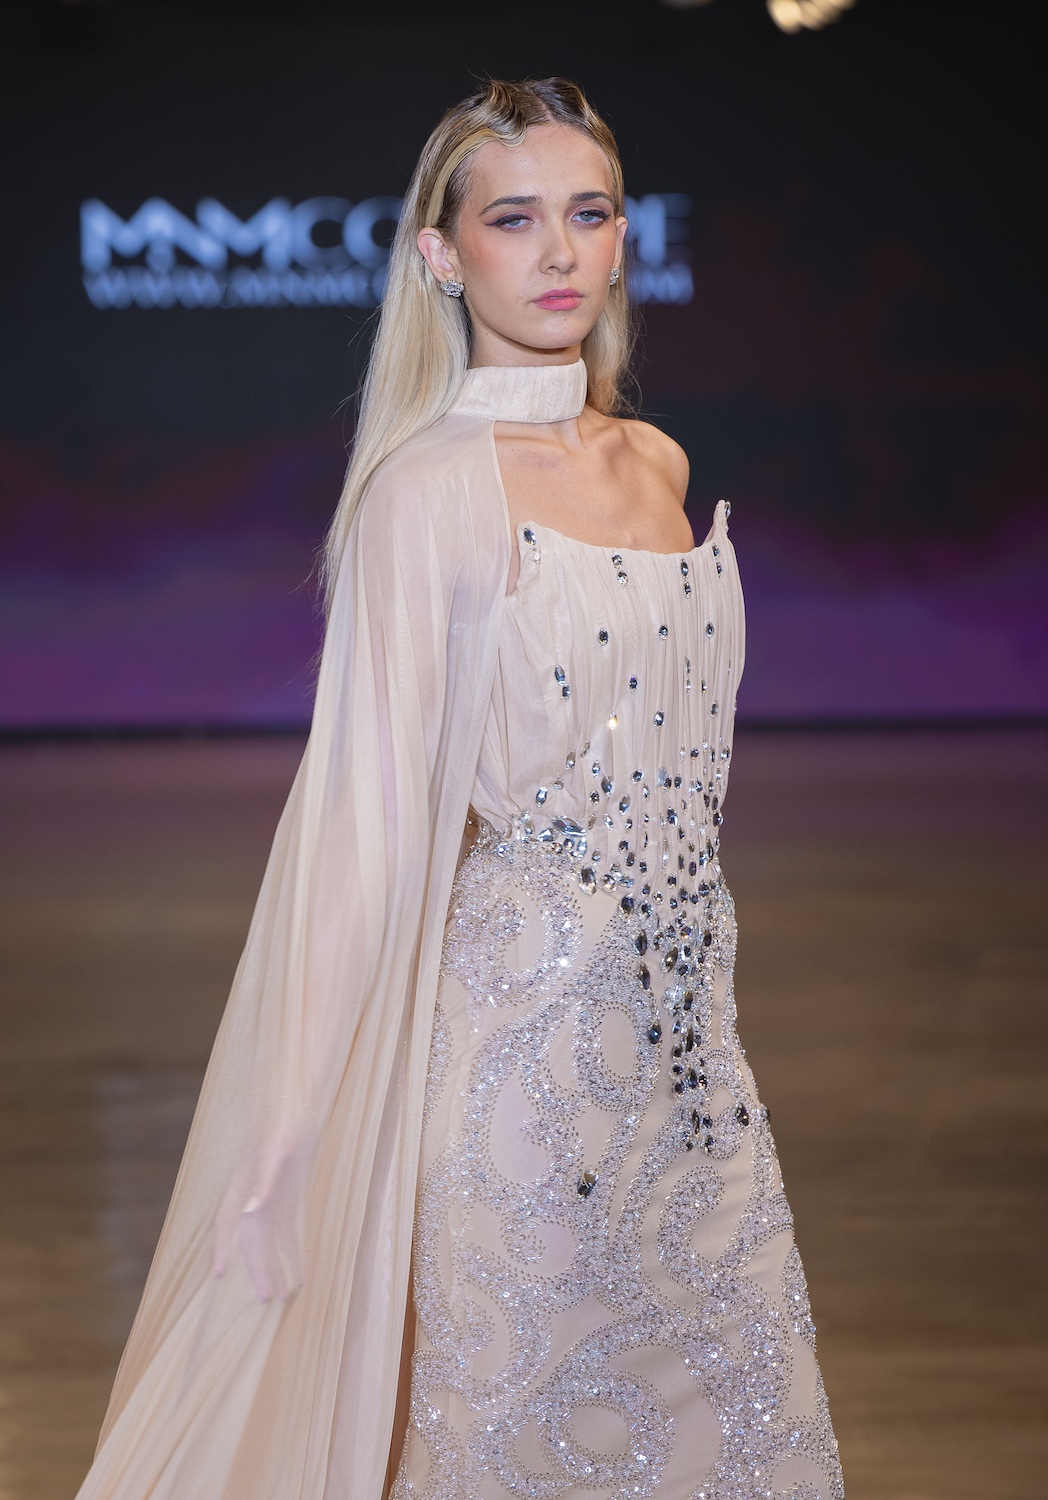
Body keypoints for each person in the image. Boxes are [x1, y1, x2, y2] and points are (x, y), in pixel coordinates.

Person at [75, 78, 845, 1500]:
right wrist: (285, 1135)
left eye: (588, 214)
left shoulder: (657, 464)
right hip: (519, 1066)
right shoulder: (425, 492)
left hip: (694, 1070)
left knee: (728, 1431)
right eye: (513, 220)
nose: (558, 253)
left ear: (623, 239)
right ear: (441, 253)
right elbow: (361, 830)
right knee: (515, 1439)